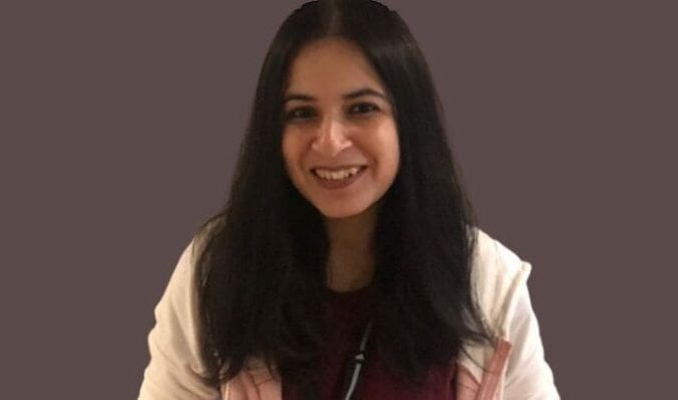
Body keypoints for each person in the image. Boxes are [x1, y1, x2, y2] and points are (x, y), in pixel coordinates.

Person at [138, 0, 560, 399]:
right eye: (302, 113)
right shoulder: (217, 273)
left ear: (408, 122)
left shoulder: (488, 282)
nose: (330, 141)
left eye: (361, 108)